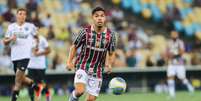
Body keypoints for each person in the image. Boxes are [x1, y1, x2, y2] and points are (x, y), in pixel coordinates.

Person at [66, 7, 116, 101]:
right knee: (80, 91)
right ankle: (72, 98)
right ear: (92, 18)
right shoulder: (85, 32)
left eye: (102, 16)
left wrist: (109, 64)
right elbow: (74, 47)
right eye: (97, 16)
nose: (99, 18)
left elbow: (112, 52)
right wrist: (69, 62)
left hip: (97, 70)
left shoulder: (111, 35)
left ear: (105, 18)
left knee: (91, 99)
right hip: (82, 66)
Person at [3, 8, 39, 101]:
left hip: (25, 56)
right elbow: (5, 41)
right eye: (20, 14)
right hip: (15, 57)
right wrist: (11, 39)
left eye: (24, 14)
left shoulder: (30, 26)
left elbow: (36, 37)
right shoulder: (11, 27)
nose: (22, 15)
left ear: (26, 16)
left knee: (17, 81)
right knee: (21, 78)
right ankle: (35, 86)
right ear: (17, 15)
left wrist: (36, 46)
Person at [166, 31, 194, 98]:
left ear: (177, 35)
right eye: (172, 34)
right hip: (171, 63)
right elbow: (167, 52)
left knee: (182, 78)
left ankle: (190, 88)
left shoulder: (180, 42)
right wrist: (168, 55)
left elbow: (182, 52)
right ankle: (172, 94)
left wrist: (174, 54)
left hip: (179, 63)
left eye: (175, 34)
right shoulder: (169, 42)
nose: (174, 35)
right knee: (170, 77)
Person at [27, 34, 51, 101]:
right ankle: (32, 98)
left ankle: (48, 95)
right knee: (30, 83)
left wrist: (39, 54)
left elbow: (49, 50)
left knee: (43, 83)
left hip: (40, 65)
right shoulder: (28, 39)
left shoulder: (42, 39)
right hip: (31, 65)